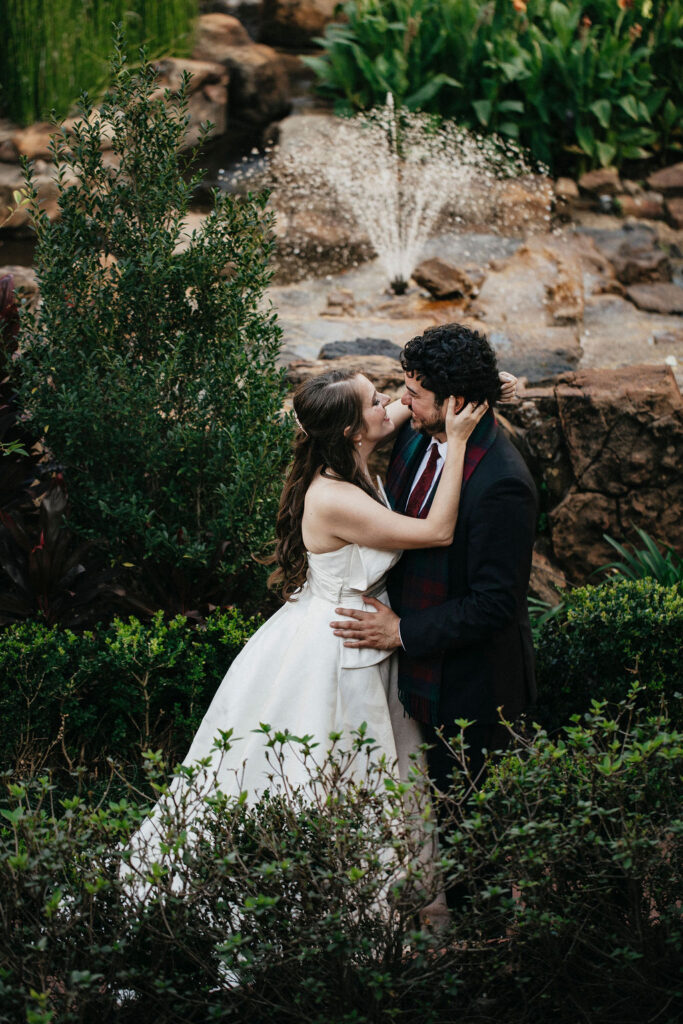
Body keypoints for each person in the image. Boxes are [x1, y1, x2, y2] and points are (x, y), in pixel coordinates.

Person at [330, 324, 538, 825]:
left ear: (455, 402)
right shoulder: (416, 434)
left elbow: (496, 605)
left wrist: (400, 631)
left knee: (465, 835)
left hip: (469, 690)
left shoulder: (503, 483)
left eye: (415, 393)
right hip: (412, 675)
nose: (402, 401)